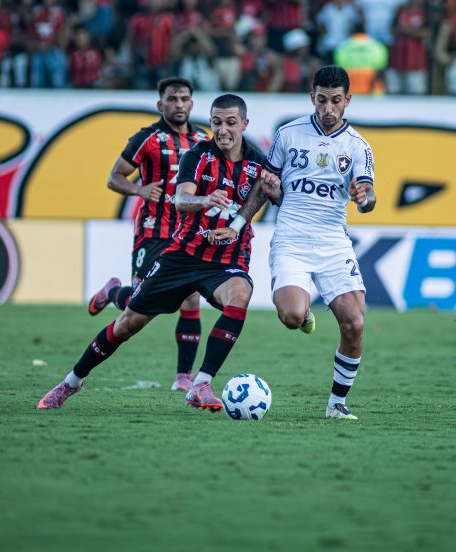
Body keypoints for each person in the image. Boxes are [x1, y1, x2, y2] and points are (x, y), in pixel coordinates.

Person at [38, 94, 279, 412]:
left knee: (240, 293)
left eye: (231, 123)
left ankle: (201, 382)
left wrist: (269, 195)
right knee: (127, 325)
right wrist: (206, 200)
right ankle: (69, 383)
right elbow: (181, 200)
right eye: (217, 122)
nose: (223, 130)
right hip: (183, 255)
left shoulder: (257, 161)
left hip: (226, 259)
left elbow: (264, 193)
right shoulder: (198, 155)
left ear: (244, 124)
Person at [209, 65, 376, 421]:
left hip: (333, 243)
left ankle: (337, 403)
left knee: (354, 324)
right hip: (292, 240)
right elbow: (266, 185)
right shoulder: (288, 134)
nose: (328, 109)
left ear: (347, 100)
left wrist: (363, 198)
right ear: (311, 97)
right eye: (321, 100)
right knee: (291, 315)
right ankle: (303, 310)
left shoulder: (358, 147)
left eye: (335, 101)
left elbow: (368, 197)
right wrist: (238, 223)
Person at [87, 78, 210, 393]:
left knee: (191, 296)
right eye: (172, 99)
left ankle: (183, 376)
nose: (179, 104)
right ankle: (113, 291)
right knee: (141, 305)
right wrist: (140, 189)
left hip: (187, 234)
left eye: (184, 98)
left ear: (192, 103)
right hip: (153, 232)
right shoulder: (147, 139)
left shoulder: (202, 139)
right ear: (161, 105)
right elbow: (114, 178)